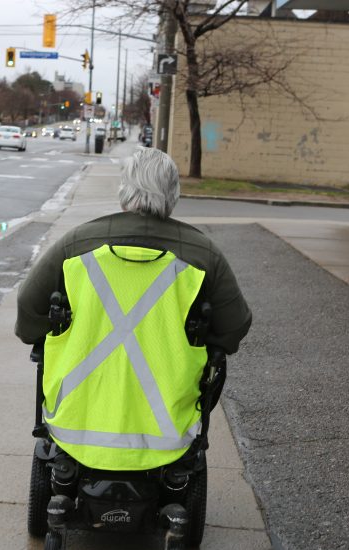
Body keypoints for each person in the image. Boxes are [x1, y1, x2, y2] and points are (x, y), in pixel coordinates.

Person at [14, 147, 252, 470]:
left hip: (75, 423)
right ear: (173, 194)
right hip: (167, 432)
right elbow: (234, 327)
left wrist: (47, 335)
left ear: (124, 190)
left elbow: (28, 310)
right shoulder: (203, 254)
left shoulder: (76, 244)